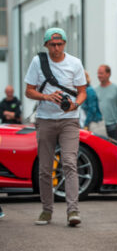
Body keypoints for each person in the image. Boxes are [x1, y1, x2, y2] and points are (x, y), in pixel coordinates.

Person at [24, 27, 87, 226]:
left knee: (69, 162)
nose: (57, 48)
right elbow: (28, 91)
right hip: (45, 119)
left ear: (65, 44)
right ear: (46, 45)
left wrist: (75, 105)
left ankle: (73, 211)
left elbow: (82, 92)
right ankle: (46, 210)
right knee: (44, 167)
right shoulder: (38, 62)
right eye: (52, 44)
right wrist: (46, 97)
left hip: (69, 119)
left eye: (60, 44)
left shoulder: (74, 63)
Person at [95, 64, 117, 140]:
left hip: (113, 125)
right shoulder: (95, 90)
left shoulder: (116, 89)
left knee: (115, 149)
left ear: (108, 74)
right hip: (99, 125)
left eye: (101, 73)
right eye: (98, 73)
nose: (99, 75)